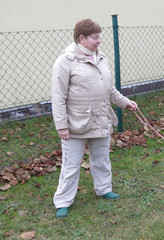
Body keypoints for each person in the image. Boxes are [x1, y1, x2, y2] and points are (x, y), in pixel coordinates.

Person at [51, 19, 138, 218]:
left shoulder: (101, 57)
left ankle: (104, 188)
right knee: (71, 165)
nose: (99, 41)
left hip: (100, 119)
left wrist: (125, 102)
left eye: (99, 37)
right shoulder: (65, 61)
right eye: (95, 37)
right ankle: (63, 201)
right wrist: (61, 126)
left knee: (101, 159)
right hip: (75, 123)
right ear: (81, 38)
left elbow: (109, 89)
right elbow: (58, 97)